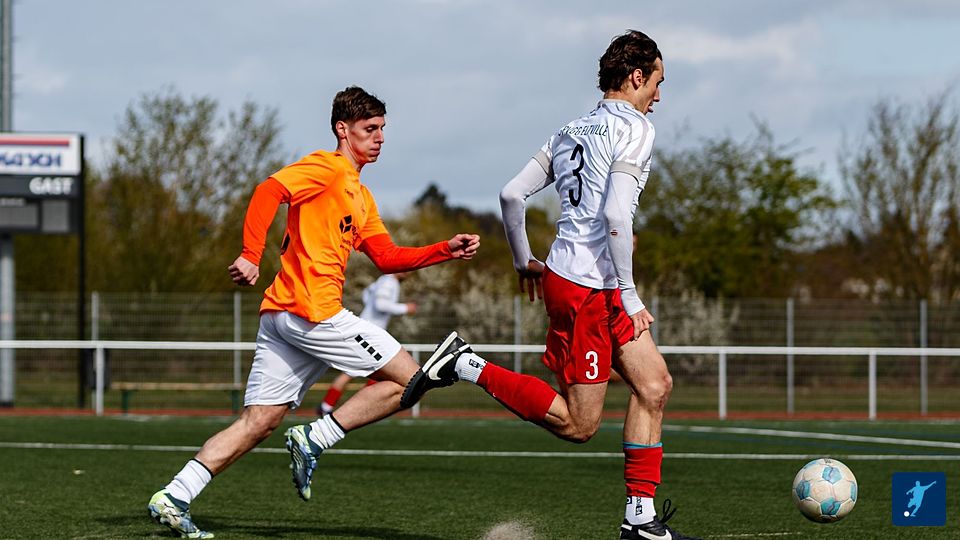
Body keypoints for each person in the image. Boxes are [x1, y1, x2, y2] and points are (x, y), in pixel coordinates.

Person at [401, 30, 700, 540]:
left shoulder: (569, 130)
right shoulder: (637, 129)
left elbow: (511, 195)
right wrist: (630, 294)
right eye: (658, 81)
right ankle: (465, 364)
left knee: (654, 386)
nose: (659, 95)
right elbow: (615, 215)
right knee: (579, 425)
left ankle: (640, 521)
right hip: (587, 290)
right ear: (636, 76)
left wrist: (525, 261)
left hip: (585, 280)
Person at [147, 86, 480, 539]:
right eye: (370, 128)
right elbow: (269, 190)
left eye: (383, 129)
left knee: (259, 422)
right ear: (343, 130)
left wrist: (444, 249)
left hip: (284, 317)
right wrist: (250, 253)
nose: (380, 137)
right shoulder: (327, 168)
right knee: (411, 379)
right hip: (312, 312)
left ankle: (174, 496)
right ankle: (316, 437)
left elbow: (386, 257)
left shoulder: (361, 196)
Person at [316, 271, 417, 416]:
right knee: (383, 370)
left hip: (365, 330)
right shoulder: (389, 282)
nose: (408, 272)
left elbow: (366, 294)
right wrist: (405, 308)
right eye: (406, 268)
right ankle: (362, 407)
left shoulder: (383, 280)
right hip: (369, 334)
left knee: (352, 373)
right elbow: (381, 305)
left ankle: (326, 406)